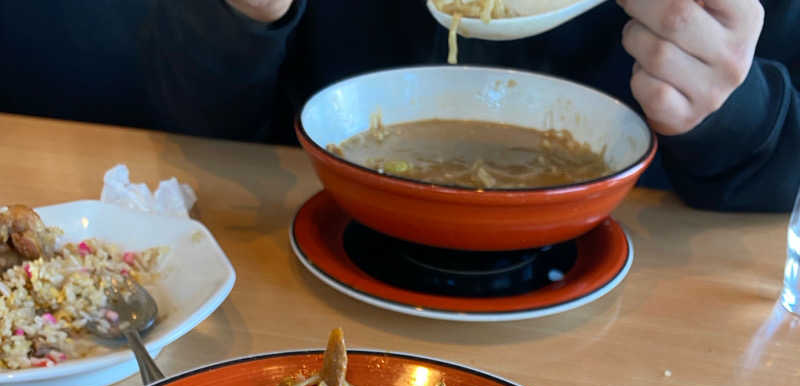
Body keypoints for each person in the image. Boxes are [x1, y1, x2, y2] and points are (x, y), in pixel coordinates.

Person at [143, 0, 798, 212]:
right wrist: (236, 18)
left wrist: (729, 103)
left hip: (631, 310)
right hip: (319, 268)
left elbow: (783, 187)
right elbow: (203, 135)